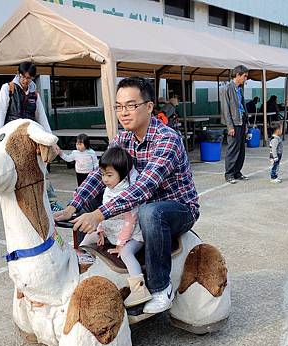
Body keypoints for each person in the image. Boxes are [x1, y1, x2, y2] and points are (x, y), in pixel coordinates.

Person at [54, 77, 199, 314]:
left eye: (131, 105)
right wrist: (74, 206)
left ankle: (161, 289)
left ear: (149, 106)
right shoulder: (122, 139)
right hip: (136, 209)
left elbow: (144, 188)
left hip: (175, 208)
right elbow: (99, 174)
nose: (124, 112)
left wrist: (99, 214)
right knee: (86, 213)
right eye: (119, 106)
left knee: (150, 211)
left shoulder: (167, 139)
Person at [78, 147, 151, 307]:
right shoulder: (110, 188)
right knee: (89, 237)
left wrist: (120, 244)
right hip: (113, 230)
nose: (104, 179)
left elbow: (129, 222)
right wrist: (101, 230)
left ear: (123, 173)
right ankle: (82, 263)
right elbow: (104, 212)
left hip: (132, 235)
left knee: (126, 254)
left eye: (109, 175)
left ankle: (139, 289)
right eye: (103, 174)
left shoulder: (128, 191)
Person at [0, 61, 63, 211]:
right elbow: (0, 113)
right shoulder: (8, 88)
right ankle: (20, 204)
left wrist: (51, 140)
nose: (25, 81)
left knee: (41, 168)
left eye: (29, 78)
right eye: (23, 77)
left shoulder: (34, 93)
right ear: (18, 74)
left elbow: (42, 117)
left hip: (31, 136)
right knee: (16, 171)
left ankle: (51, 202)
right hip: (12, 137)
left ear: (33, 77)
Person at [220, 65, 249, 184]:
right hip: (234, 123)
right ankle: (229, 174)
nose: (245, 79)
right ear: (238, 75)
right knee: (232, 149)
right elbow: (225, 109)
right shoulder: (227, 88)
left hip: (242, 121)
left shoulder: (239, 89)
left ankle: (237, 172)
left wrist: (246, 123)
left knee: (241, 148)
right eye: (244, 76)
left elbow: (242, 107)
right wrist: (230, 126)